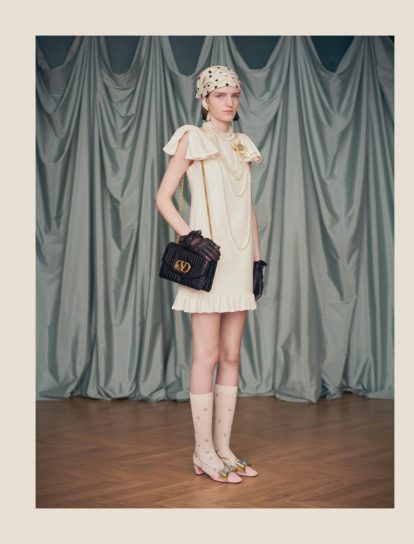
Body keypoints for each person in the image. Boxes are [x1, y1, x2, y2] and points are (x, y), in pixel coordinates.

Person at [156, 65, 268, 484]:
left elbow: (248, 207)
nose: (229, 102)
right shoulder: (192, 137)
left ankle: (223, 448)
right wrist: (190, 236)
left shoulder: (242, 144)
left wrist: (257, 260)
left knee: (232, 355)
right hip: (208, 259)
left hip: (239, 261)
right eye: (220, 95)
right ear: (204, 99)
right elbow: (163, 197)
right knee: (206, 356)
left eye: (234, 94)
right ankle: (202, 450)